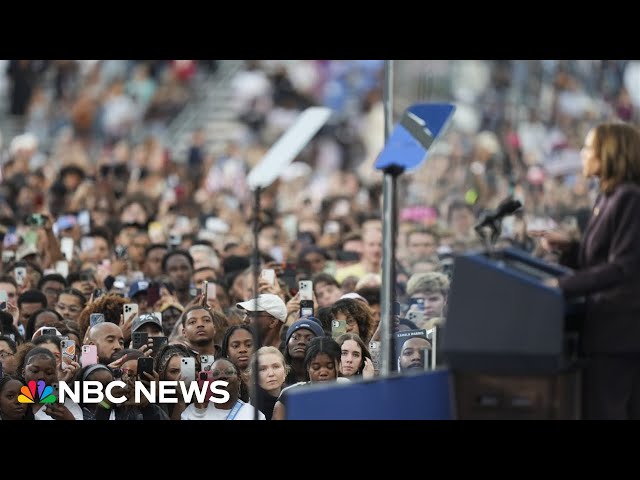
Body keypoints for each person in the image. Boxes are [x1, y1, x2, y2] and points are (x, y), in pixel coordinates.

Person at [533, 122, 640, 420]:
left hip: (621, 333)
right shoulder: (607, 197)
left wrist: (560, 285)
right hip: (606, 330)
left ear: (609, 153)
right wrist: (569, 247)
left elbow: (623, 267)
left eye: (588, 148)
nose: (581, 154)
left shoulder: (629, 197)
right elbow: (598, 259)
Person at [272, 336, 343, 420]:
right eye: (316, 367)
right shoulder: (290, 396)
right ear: (308, 367)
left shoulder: (350, 394)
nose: (323, 372)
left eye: (329, 367)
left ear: (338, 365)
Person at [180, 358, 266, 420]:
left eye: (229, 372)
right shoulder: (191, 412)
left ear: (239, 379)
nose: (222, 376)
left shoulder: (254, 415)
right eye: (215, 373)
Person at [248, 346, 288, 420]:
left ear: (285, 371)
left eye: (276, 367)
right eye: (262, 369)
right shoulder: (249, 406)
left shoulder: (293, 397)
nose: (271, 374)